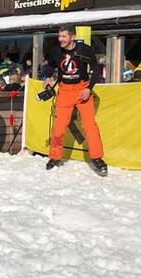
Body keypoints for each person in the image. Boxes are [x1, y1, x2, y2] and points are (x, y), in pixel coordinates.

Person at [44, 25, 107, 175]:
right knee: (58, 128)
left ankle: (97, 158)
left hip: (82, 89)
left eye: (64, 36)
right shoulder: (56, 51)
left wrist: (89, 88)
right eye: (59, 36)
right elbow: (49, 66)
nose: (60, 39)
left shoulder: (85, 49)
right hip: (64, 91)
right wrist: (46, 77)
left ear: (72, 37)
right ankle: (55, 157)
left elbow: (96, 70)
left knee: (90, 126)